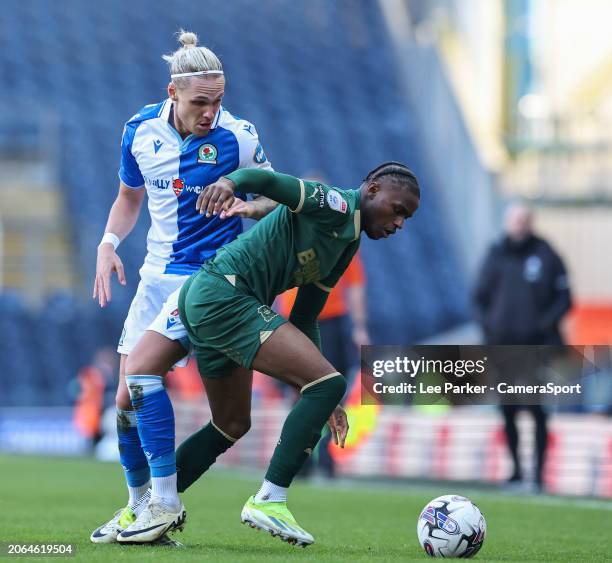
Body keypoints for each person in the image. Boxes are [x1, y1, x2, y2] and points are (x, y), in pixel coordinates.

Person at [120, 163, 420, 545]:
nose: (399, 223)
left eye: (406, 217)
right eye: (398, 210)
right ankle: (270, 498)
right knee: (330, 383)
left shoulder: (348, 242)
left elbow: (306, 317)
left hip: (219, 300)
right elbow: (266, 182)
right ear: (373, 190)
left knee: (231, 423)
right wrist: (230, 183)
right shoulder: (336, 205)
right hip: (225, 294)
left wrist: (317, 381)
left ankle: (149, 508)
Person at [90, 30, 276, 544]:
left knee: (145, 378)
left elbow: (275, 196)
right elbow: (129, 198)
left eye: (218, 101)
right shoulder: (139, 131)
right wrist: (108, 243)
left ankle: (165, 502)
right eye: (200, 102)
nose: (211, 112)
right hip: (154, 278)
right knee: (124, 400)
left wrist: (249, 204)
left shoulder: (238, 137)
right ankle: (138, 508)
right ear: (172, 94)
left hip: (207, 283)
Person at [473, 202, 572, 491]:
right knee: (508, 409)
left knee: (536, 409)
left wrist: (543, 325)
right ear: (507, 222)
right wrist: (489, 326)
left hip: (536, 347)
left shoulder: (547, 255)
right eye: (515, 220)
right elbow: (478, 298)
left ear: (531, 222)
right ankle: (515, 471)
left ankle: (539, 474)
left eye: (524, 220)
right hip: (502, 348)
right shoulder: (495, 255)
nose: (519, 225)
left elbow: (565, 299)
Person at [277, 252, 369, 478]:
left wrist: (359, 327)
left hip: (329, 322)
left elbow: (356, 284)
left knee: (332, 390)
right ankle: (299, 460)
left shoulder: (343, 242)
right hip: (294, 321)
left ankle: (327, 458)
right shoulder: (291, 237)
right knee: (299, 392)